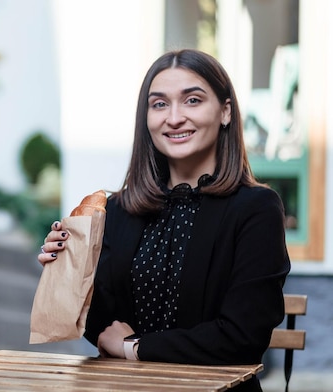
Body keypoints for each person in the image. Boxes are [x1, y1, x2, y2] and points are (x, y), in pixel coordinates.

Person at [38, 49, 290, 392]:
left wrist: (135, 347)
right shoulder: (119, 208)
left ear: (225, 112)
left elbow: (241, 337)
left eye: (192, 100)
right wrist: (67, 271)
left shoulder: (256, 208)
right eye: (159, 104)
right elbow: (101, 325)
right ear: (147, 119)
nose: (174, 118)